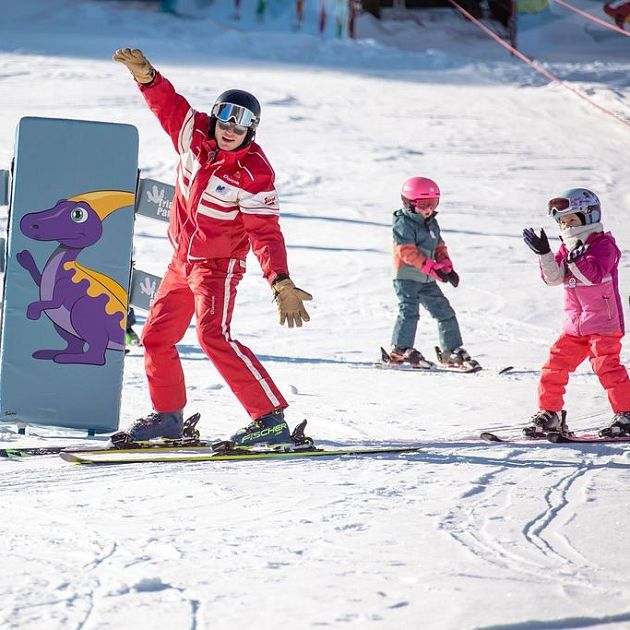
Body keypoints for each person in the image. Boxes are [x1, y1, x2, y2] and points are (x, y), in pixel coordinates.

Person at [113, 48, 312, 446]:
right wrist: (147, 77)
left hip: (217, 266)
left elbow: (265, 231)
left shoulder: (254, 173)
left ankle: (270, 419)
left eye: (240, 126)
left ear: (251, 131)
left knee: (212, 336)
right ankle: (168, 417)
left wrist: (280, 280)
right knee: (155, 337)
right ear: (216, 118)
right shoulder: (195, 135)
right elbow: (169, 106)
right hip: (182, 261)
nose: (229, 130)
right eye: (225, 119)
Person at [522, 188, 630, 438]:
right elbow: (554, 278)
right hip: (574, 326)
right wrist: (545, 254)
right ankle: (551, 414)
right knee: (554, 366)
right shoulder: (568, 247)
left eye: (571, 219)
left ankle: (626, 413)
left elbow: (593, 276)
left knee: (607, 367)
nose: (566, 225)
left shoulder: (604, 245)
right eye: (561, 221)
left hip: (603, 323)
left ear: (589, 216)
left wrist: (575, 259)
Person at [388, 176, 479, 371]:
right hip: (407, 277)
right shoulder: (403, 223)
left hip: (427, 279)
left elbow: (439, 245)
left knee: (445, 312)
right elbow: (405, 252)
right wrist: (429, 266)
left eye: (433, 203)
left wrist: (445, 264)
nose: (429, 208)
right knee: (409, 312)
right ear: (409, 203)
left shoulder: (431, 223)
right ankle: (400, 349)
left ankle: (450, 351)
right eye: (424, 203)